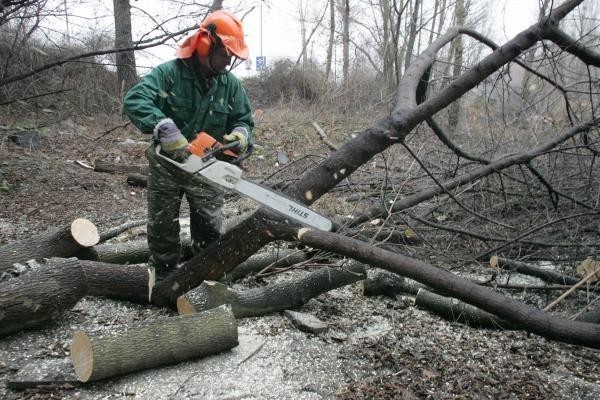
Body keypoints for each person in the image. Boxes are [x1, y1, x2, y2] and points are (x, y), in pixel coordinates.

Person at [123, 10, 254, 277]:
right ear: (206, 43)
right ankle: (163, 275)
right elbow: (135, 99)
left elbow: (243, 118)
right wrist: (164, 127)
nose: (229, 60)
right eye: (225, 52)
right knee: (162, 226)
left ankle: (207, 276)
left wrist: (240, 135)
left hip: (207, 165)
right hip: (167, 164)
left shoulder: (229, 84)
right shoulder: (169, 74)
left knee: (209, 227)